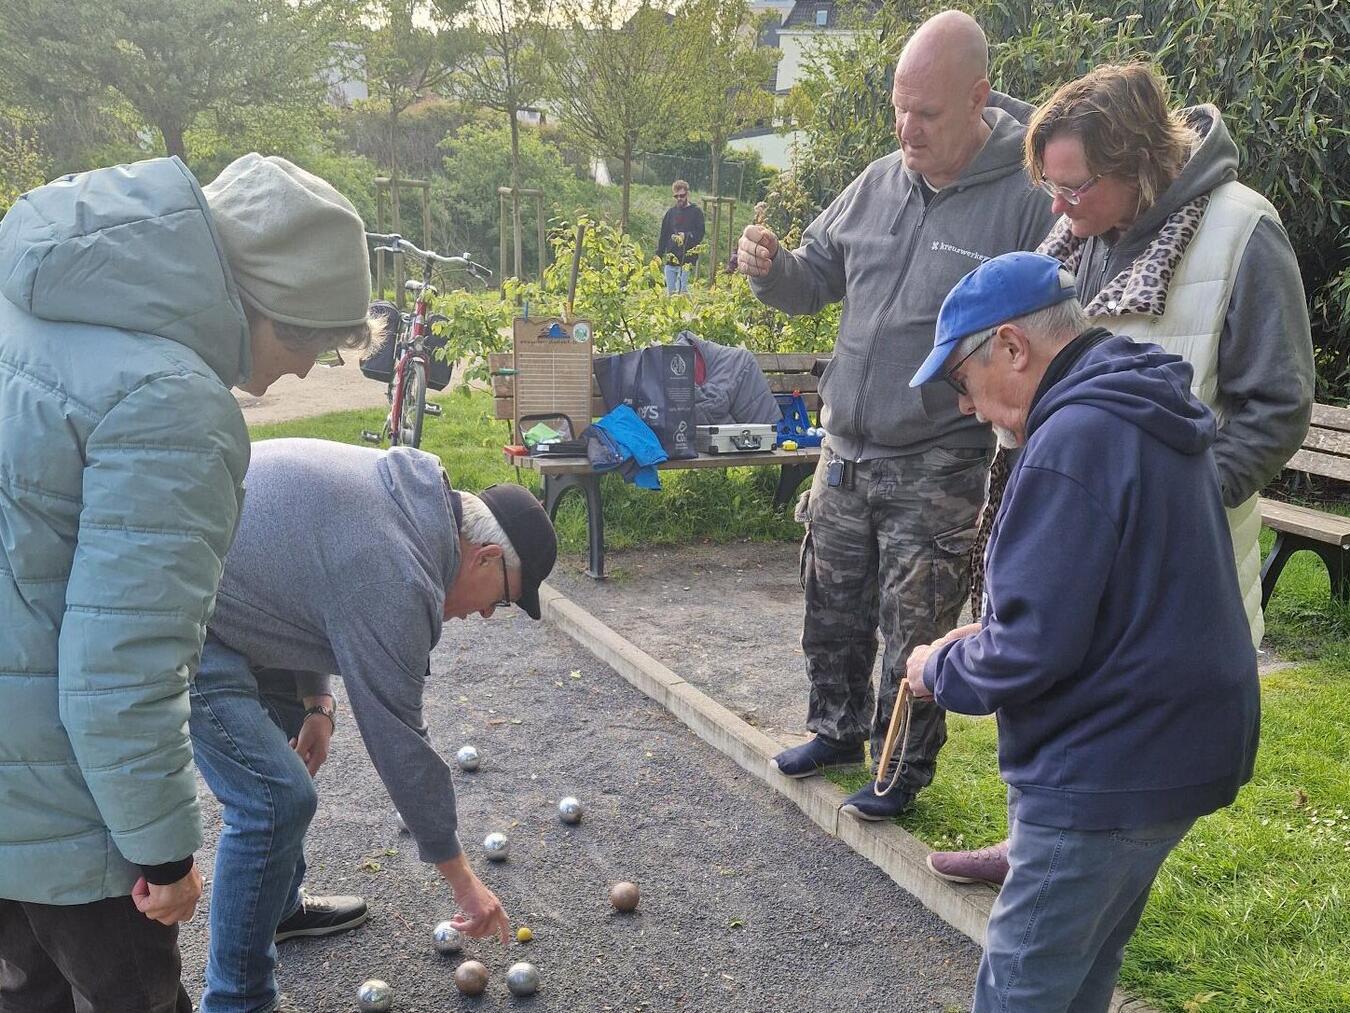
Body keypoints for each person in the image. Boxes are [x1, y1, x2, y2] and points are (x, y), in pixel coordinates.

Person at [0, 153, 375, 1012]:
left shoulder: (32, 302)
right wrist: (163, 857)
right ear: (262, 304)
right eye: (313, 337)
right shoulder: (171, 403)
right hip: (64, 814)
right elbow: (122, 665)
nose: (314, 367)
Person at [927, 62, 1313, 887]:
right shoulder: (1079, 237)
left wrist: (1171, 500)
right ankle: (1034, 842)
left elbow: (1276, 409)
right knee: (1043, 656)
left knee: (1122, 708)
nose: (1058, 209)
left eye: (1076, 187)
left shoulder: (1243, 232)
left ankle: (1073, 871)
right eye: (1051, 188)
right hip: (1064, 514)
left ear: (1141, 160)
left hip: (1176, 544)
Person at [905, 252, 1259, 1012]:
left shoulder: (1074, 439)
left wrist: (937, 667)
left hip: (1109, 764)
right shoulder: (1139, 402)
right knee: (1083, 975)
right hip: (1180, 746)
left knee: (1023, 993)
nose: (965, 405)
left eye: (959, 381)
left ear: (1011, 345)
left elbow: (1029, 646)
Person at [736, 10, 1054, 820]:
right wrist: (772, 272)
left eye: (928, 113)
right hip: (844, 449)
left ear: (978, 97)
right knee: (830, 608)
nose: (907, 128)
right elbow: (816, 277)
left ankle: (896, 771)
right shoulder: (878, 181)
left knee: (914, 633)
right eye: (898, 108)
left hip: (938, 461)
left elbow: (1048, 326)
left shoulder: (1024, 202)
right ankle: (834, 731)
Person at [192, 437, 558, 1013]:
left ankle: (280, 906)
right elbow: (398, 740)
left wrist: (316, 702)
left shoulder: (415, 504)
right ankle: (237, 1002)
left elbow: (304, 584)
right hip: (184, 611)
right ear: (485, 558)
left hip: (231, 585)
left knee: (290, 729)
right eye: (504, 600)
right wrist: (463, 880)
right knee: (273, 799)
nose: (487, 614)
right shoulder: (400, 573)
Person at [656, 180, 705, 294]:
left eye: (682, 196)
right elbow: (664, 235)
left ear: (687, 194)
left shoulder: (696, 212)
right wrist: (659, 254)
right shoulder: (671, 213)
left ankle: (687, 311)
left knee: (681, 291)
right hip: (671, 258)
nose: (679, 198)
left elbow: (700, 233)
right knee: (670, 292)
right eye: (676, 196)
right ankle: (673, 312)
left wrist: (687, 236)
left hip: (686, 259)